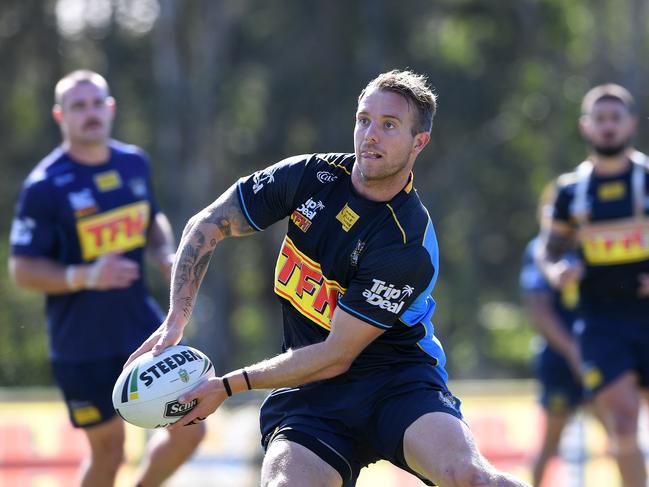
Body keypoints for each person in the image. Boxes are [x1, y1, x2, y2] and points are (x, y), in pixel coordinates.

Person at [127, 69, 529, 487]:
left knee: (470, 478)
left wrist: (227, 386)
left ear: (419, 142)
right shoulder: (309, 177)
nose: (370, 134)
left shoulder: (406, 241)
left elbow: (337, 354)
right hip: (311, 396)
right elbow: (207, 223)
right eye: (363, 119)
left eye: (389, 125)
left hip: (397, 383)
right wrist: (177, 317)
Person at [9, 70, 205, 487]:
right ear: (60, 116)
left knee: (192, 428)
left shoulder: (133, 162)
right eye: (79, 106)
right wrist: (87, 275)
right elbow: (22, 269)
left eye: (97, 103)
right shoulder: (44, 186)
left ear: (110, 108)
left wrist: (165, 253)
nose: (90, 113)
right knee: (109, 450)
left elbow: (153, 221)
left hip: (142, 328)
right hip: (80, 345)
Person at [537, 83, 649, 487]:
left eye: (615, 118)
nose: (607, 127)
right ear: (586, 126)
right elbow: (548, 251)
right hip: (601, 324)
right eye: (599, 119)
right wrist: (556, 272)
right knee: (622, 425)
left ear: (631, 124)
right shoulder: (571, 192)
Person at [520, 184, 584, 486]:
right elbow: (540, 311)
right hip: (560, 360)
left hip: (599, 354)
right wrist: (573, 352)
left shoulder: (588, 245)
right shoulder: (539, 251)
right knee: (550, 443)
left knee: (621, 431)